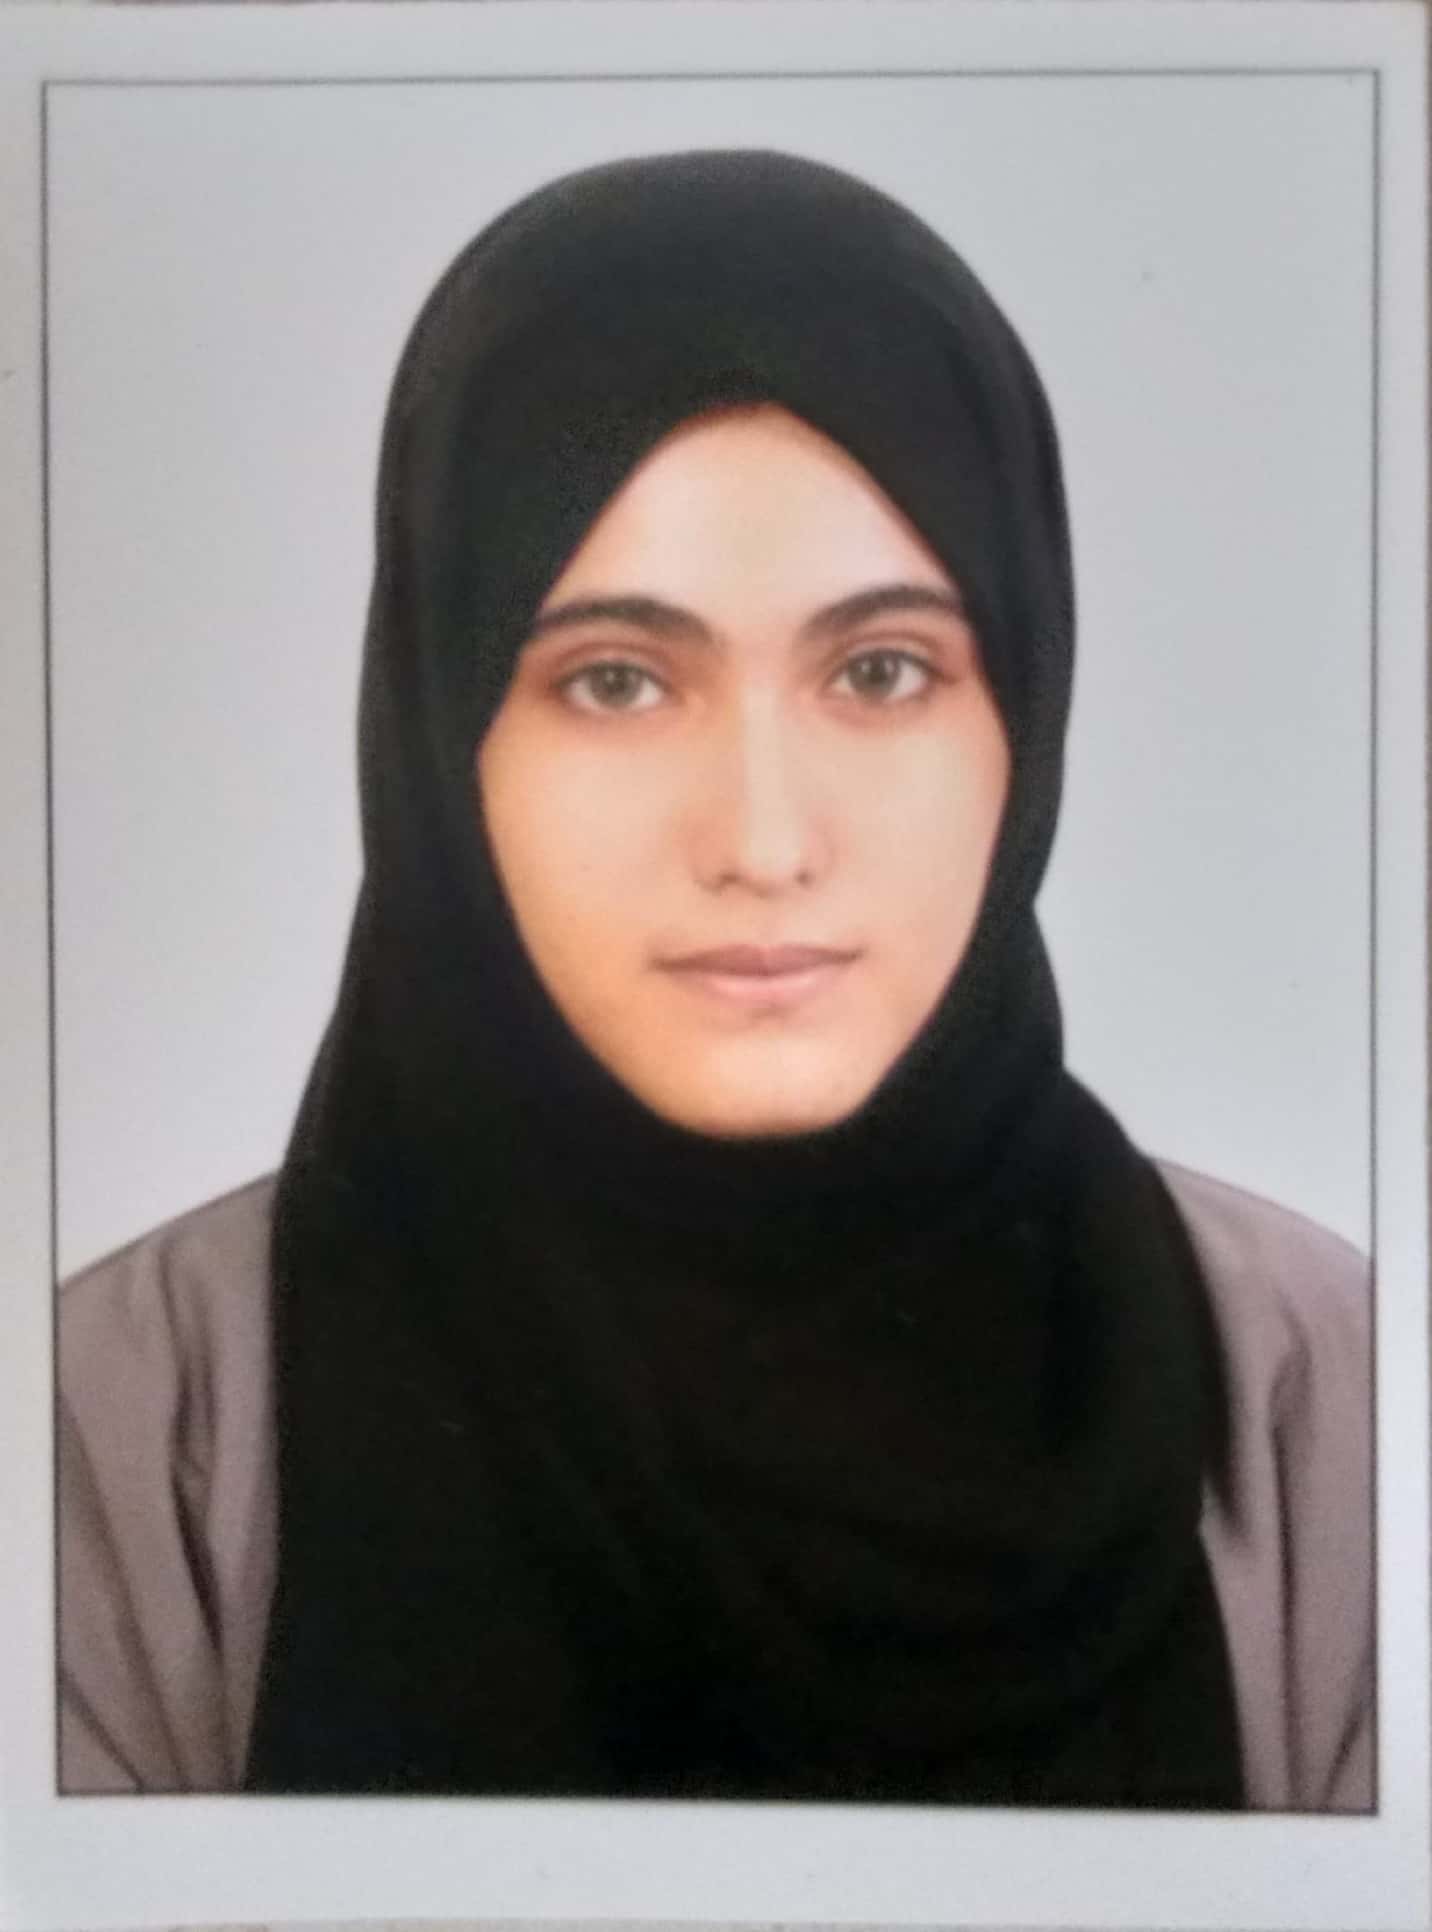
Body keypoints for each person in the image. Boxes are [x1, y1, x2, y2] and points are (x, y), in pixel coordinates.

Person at [57, 148, 1371, 1809]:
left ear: (1023, 717)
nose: (761, 839)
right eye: (616, 681)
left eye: (881, 671)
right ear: (441, 732)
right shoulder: (123, 1438)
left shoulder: (1325, 1403)